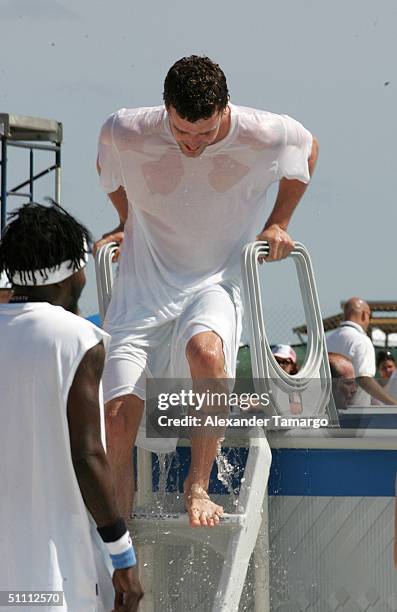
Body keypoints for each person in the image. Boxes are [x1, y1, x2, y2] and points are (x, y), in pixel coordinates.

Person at [95, 54, 319, 527]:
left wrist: (279, 222)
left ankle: (197, 485)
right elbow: (108, 171)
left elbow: (308, 151)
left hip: (217, 279)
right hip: (144, 283)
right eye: (182, 133)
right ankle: (117, 536)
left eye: (206, 133)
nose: (194, 144)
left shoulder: (265, 132)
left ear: (225, 110)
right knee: (116, 416)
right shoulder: (124, 130)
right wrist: (128, 223)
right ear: (166, 110)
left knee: (207, 353)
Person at [0, 203, 143, 612]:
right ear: (69, 273)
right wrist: (122, 555)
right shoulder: (78, 338)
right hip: (56, 573)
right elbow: (87, 454)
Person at [326, 297, 397, 406]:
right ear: (364, 315)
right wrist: (392, 403)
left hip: (330, 409)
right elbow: (364, 379)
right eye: (370, 316)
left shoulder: (328, 339)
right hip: (356, 414)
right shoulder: (362, 341)